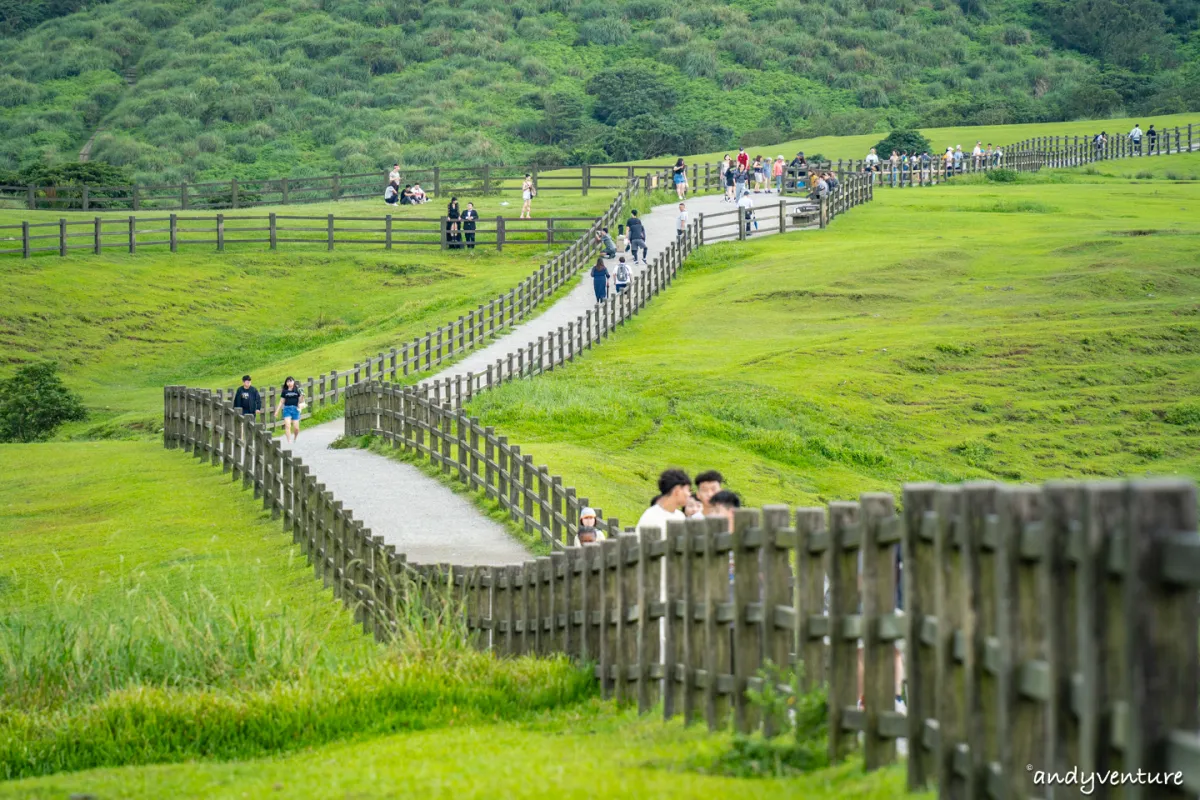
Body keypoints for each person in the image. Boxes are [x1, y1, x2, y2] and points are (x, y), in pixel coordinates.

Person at [634, 469, 691, 535]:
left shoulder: (680, 516)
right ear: (677, 490)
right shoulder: (652, 517)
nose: (689, 494)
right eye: (688, 490)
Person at [275, 376, 304, 444]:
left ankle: (295, 438)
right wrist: (277, 411)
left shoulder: (297, 390)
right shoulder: (285, 391)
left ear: (293, 382)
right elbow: (281, 401)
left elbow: (300, 401)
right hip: (287, 409)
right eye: (287, 381)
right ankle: (289, 441)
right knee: (287, 425)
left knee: (296, 428)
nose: (289, 383)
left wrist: (302, 396)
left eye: (290, 381)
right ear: (286, 383)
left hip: (295, 409)